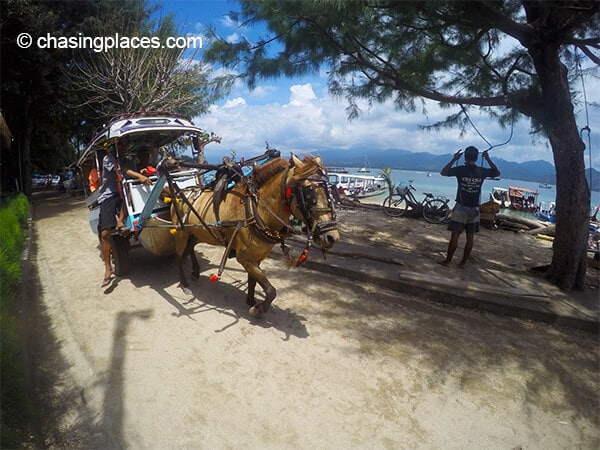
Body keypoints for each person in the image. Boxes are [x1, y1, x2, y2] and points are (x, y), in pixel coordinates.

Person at [97, 137, 151, 287]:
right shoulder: (109, 159)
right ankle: (108, 268)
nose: (123, 147)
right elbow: (122, 171)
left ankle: (120, 221)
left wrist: (142, 172)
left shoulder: (129, 161)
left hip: (124, 194)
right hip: (109, 195)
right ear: (115, 145)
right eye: (120, 144)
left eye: (126, 144)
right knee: (105, 234)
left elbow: (130, 173)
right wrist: (139, 175)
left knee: (131, 195)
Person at [438, 146, 500, 268]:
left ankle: (448, 261)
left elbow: (443, 172)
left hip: (461, 207)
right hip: (475, 209)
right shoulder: (482, 171)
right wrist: (487, 159)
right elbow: (497, 173)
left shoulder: (460, 170)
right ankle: (463, 263)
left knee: (455, 235)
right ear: (477, 158)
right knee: (470, 237)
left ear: (465, 157)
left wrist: (454, 159)